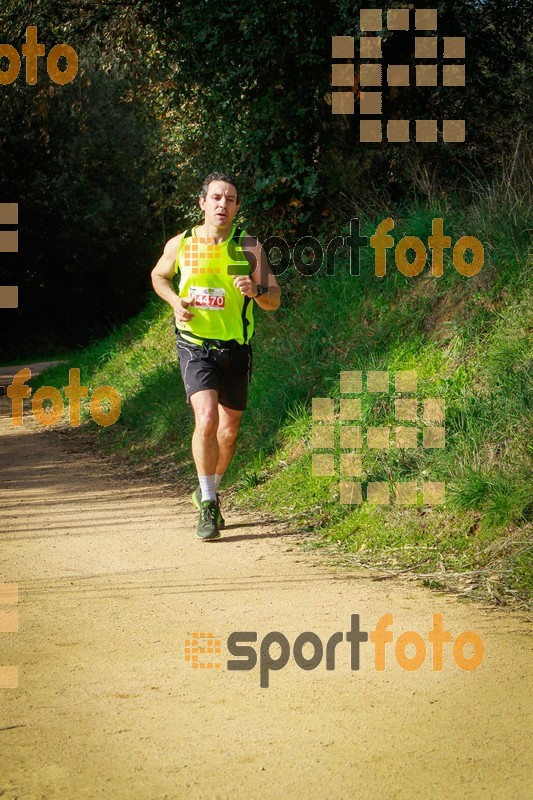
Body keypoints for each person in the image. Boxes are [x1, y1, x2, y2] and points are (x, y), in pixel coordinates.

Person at [151, 172, 281, 540]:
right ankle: (209, 504)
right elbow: (158, 276)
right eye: (217, 198)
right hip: (195, 345)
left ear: (237, 207)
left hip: (236, 350)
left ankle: (207, 488)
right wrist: (176, 301)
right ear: (203, 203)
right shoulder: (182, 243)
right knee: (206, 419)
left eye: (231, 199)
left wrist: (255, 289)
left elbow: (274, 300)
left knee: (228, 432)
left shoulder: (249, 247)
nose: (223, 204)